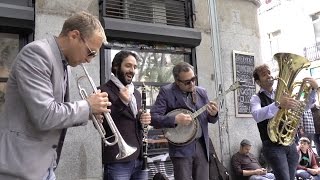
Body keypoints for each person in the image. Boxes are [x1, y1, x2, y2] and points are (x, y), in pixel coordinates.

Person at [0, 11, 110, 180]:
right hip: (20, 168)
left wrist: (89, 113)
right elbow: (45, 115)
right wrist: (87, 106)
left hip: (45, 166)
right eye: (91, 52)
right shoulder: (37, 54)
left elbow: (55, 111)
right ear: (74, 35)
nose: (90, 60)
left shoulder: (62, 62)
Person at [150, 62, 219, 180]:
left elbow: (210, 119)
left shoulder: (201, 92)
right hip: (181, 149)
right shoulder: (166, 92)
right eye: (187, 82)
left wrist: (214, 114)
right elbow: (154, 118)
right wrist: (175, 119)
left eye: (194, 79)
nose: (192, 83)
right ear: (177, 81)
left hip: (201, 145)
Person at [250, 64, 318, 180]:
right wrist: (278, 104)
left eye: (269, 73)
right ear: (258, 82)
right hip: (272, 145)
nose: (268, 76)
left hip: (290, 143)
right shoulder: (256, 98)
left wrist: (314, 90)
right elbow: (257, 115)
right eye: (264, 74)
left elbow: (303, 107)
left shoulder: (283, 93)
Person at [99, 50, 151, 180]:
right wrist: (121, 102)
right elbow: (102, 124)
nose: (132, 70)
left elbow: (134, 123)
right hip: (118, 161)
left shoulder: (137, 94)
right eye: (128, 66)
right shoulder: (102, 91)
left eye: (134, 67)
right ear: (116, 66)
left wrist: (143, 119)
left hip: (140, 159)